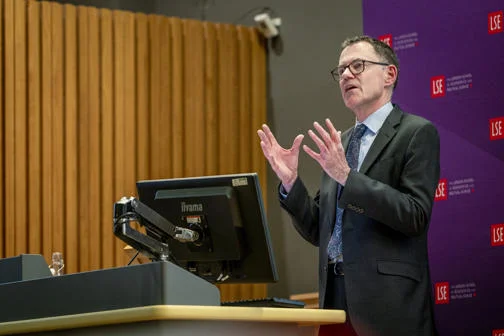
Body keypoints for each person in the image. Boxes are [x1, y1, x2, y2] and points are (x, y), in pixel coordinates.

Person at [257, 35, 440, 336]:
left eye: (357, 65)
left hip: (389, 306)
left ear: (389, 74)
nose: (345, 75)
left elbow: (415, 215)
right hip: (334, 303)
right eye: (340, 70)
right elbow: (319, 230)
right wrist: (291, 182)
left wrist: (347, 177)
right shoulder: (339, 144)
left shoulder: (416, 133)